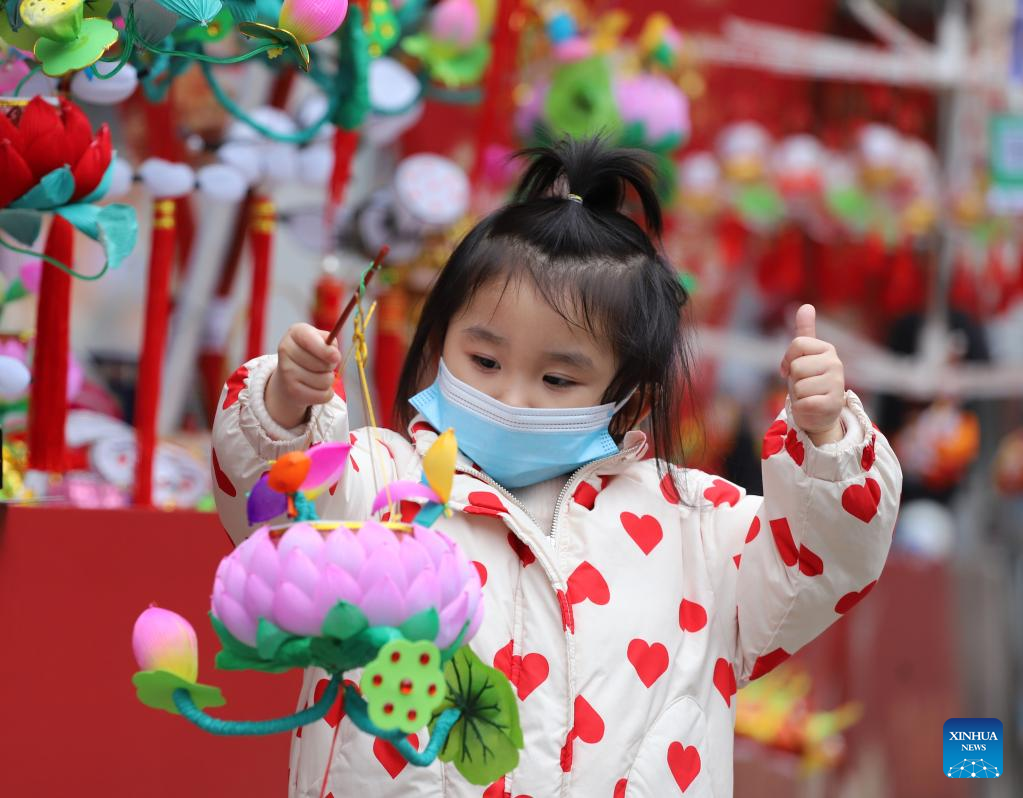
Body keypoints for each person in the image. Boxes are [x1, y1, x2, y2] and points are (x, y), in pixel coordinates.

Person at [212, 137, 902, 798]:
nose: (511, 396)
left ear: (634, 402)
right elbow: (269, 505)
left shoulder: (699, 530)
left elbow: (820, 560)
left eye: (557, 379)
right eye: (484, 360)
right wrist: (284, 404)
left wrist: (827, 439)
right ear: (438, 342)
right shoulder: (373, 482)